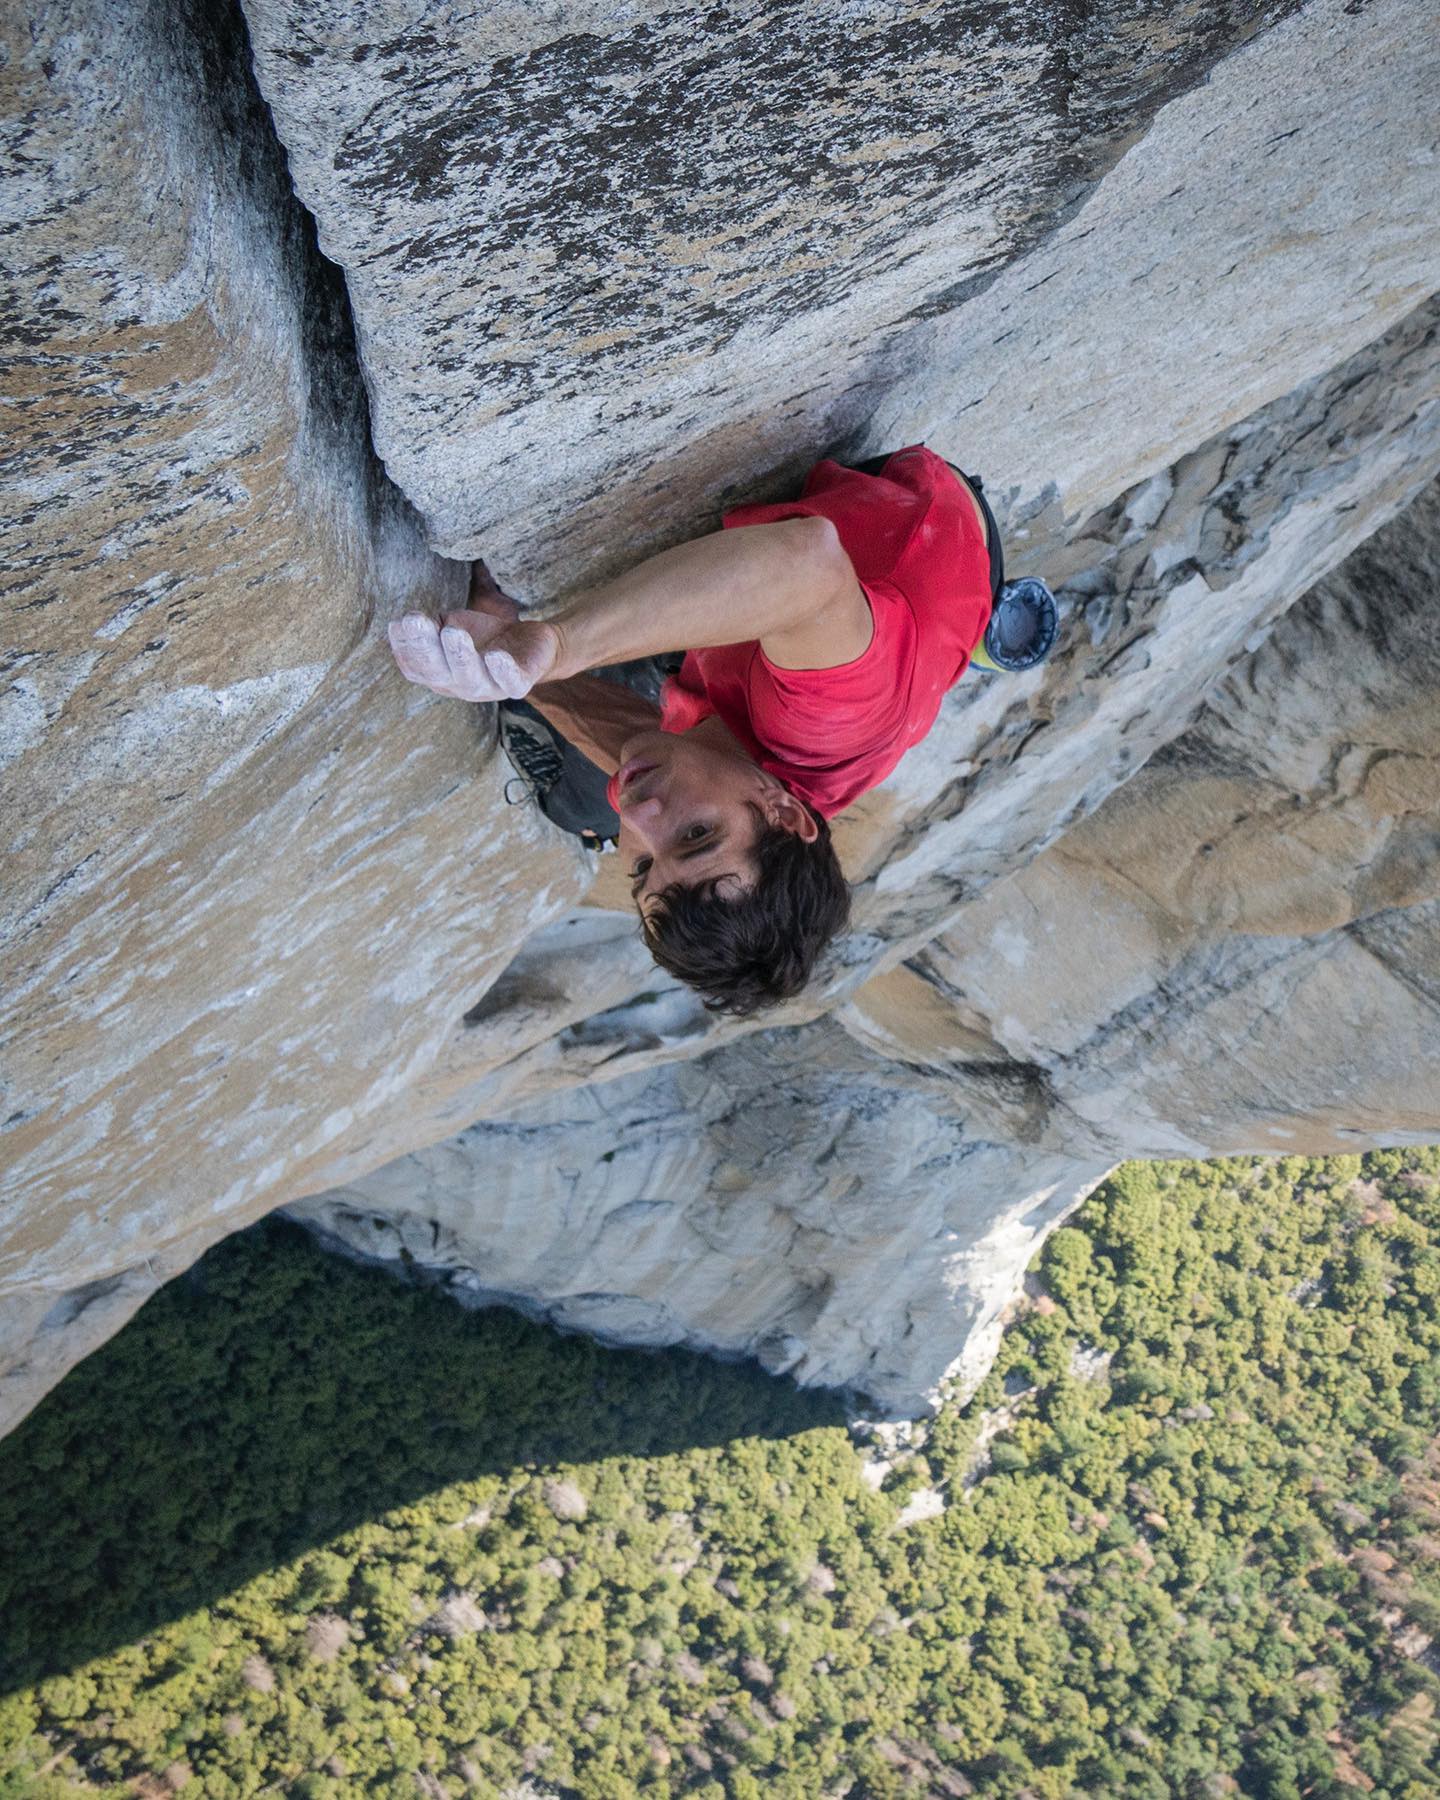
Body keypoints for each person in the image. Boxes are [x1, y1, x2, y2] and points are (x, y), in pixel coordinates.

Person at [389, 446, 1055, 1017]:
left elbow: (635, 757)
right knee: (587, 785)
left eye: (645, 868)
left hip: (859, 651)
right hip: (920, 516)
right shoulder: (825, 722)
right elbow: (808, 561)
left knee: (595, 799)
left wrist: (511, 666)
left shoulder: (742, 793)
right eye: (697, 836)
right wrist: (557, 644)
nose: (644, 816)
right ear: (787, 813)